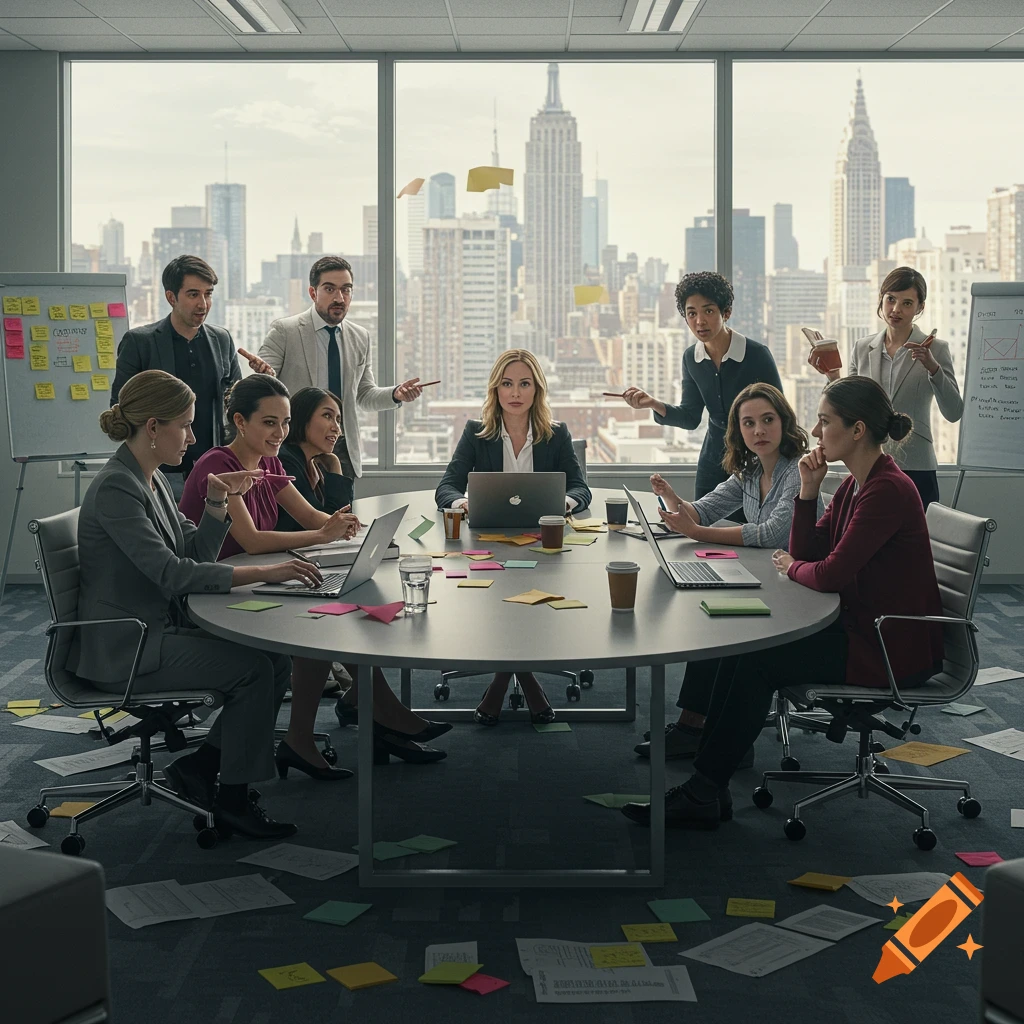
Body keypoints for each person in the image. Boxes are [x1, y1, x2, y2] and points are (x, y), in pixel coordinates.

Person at [622, 376, 944, 829]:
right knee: (741, 646)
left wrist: (790, 566)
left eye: (825, 421)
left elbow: (822, 569)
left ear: (856, 430)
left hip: (885, 647)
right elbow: (811, 551)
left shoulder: (886, 489)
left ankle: (703, 789)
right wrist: (808, 493)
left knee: (758, 662)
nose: (815, 432)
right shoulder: (856, 485)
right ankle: (707, 783)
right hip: (859, 626)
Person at [71, 370, 326, 840]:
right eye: (184, 426)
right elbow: (173, 573)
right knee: (251, 669)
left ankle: (203, 766)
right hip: (127, 646)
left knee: (273, 659)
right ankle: (231, 797)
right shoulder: (117, 488)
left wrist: (214, 501)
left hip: (155, 628)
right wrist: (266, 571)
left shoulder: (149, 480)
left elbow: (197, 554)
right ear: (152, 427)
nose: (192, 436)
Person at [632, 382, 823, 762]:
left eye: (767, 420)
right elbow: (703, 511)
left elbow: (771, 534)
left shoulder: (795, 472)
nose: (759, 431)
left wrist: (697, 533)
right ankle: (701, 727)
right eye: (749, 424)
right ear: (739, 431)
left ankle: (702, 730)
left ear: (784, 423)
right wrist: (672, 499)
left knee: (721, 628)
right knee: (712, 618)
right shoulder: (750, 472)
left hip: (799, 594)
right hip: (771, 581)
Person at [275, 386, 451, 766]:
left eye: (339, 418)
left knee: (356, 604)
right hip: (284, 573)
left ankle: (367, 707)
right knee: (349, 614)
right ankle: (379, 711)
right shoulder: (286, 463)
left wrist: (335, 469)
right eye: (326, 416)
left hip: (307, 566)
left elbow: (338, 521)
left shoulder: (313, 463)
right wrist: (339, 499)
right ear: (301, 420)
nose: (336, 426)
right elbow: (332, 524)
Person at [434, 349, 593, 725]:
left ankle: (500, 687)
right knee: (505, 608)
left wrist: (564, 503)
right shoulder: (477, 433)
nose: (515, 392)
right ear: (496, 389)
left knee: (523, 610)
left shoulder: (556, 435)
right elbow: (446, 487)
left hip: (543, 546)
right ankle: (527, 687)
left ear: (537, 390)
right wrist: (464, 502)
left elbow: (582, 489)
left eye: (524, 383)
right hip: (488, 544)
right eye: (507, 383)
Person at [110, 255, 271, 501]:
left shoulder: (222, 339)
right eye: (193, 294)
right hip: (160, 470)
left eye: (208, 294)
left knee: (210, 538)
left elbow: (234, 405)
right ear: (171, 297)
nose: (203, 304)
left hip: (212, 467)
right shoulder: (140, 342)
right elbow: (120, 406)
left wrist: (260, 382)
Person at [258, 254, 425, 490]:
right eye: (330, 289)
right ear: (313, 292)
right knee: (300, 522)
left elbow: (363, 396)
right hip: (295, 447)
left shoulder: (360, 337)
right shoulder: (285, 331)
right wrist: (265, 374)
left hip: (342, 448)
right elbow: (262, 385)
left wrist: (395, 394)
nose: (339, 297)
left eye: (346, 290)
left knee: (344, 520)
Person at [617, 271, 782, 502]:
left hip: (755, 459)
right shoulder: (691, 358)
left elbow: (779, 415)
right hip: (713, 460)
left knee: (747, 532)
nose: (699, 321)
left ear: (726, 313)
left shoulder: (756, 355)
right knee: (703, 525)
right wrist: (653, 404)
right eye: (691, 313)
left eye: (708, 311)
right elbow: (690, 417)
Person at [808, 266, 962, 509]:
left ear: (920, 308)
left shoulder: (936, 349)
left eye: (907, 303)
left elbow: (954, 412)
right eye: (891, 299)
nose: (896, 309)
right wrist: (833, 376)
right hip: (868, 462)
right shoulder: (862, 347)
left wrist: (933, 368)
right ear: (881, 299)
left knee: (914, 541)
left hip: (917, 464)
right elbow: (851, 407)